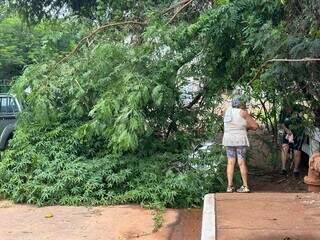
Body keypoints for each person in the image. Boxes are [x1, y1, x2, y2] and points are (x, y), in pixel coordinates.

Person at [222, 96, 259, 193]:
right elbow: (255, 126)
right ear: (241, 104)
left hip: (228, 139)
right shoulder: (243, 112)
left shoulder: (227, 112)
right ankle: (245, 186)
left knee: (230, 162)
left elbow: (233, 124)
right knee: (241, 162)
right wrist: (247, 127)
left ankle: (229, 186)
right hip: (240, 140)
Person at [279, 104, 305, 177]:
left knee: (297, 151)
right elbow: (281, 123)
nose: (287, 108)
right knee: (284, 147)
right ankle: (283, 168)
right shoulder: (283, 111)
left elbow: (303, 120)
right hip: (288, 133)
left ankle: (296, 170)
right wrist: (287, 130)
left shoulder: (297, 108)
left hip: (298, 134)